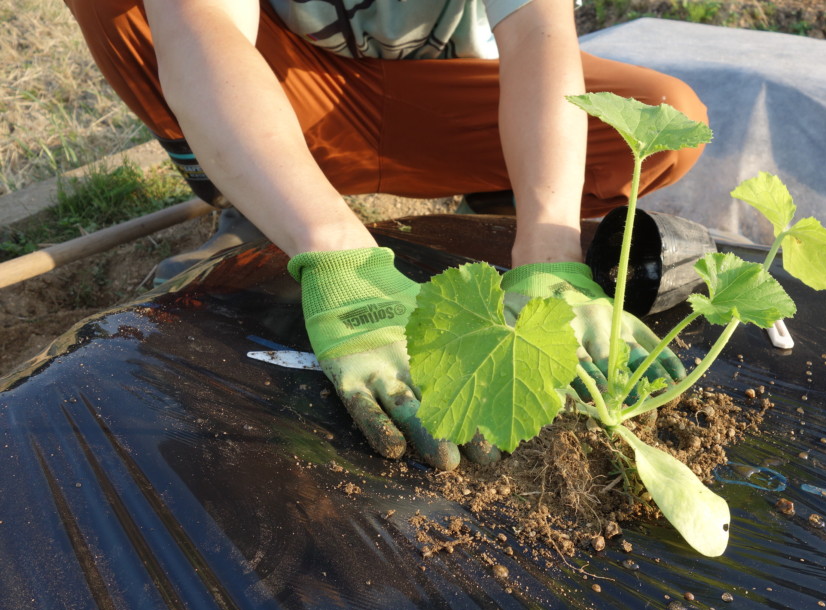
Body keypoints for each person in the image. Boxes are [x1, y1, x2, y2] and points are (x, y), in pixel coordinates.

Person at [65, 0, 708, 470]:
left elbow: (541, 37)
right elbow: (198, 24)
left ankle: (498, 212)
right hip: (288, 84)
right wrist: (337, 253)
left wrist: (551, 248)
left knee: (662, 118)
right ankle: (260, 201)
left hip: (439, 99)